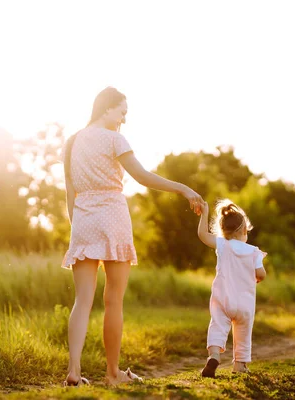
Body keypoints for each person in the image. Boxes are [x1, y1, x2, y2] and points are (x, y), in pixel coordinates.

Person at [62, 87, 204, 386]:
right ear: (107, 108)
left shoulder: (72, 141)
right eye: (122, 112)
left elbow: (69, 191)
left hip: (84, 219)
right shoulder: (115, 139)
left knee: (82, 300)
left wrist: (78, 227)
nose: (124, 120)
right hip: (113, 217)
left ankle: (73, 371)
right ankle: (113, 375)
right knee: (113, 300)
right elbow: (142, 177)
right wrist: (183, 188)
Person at [197, 199, 267, 378]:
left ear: (223, 230)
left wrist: (204, 213)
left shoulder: (222, 245)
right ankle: (240, 365)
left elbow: (203, 235)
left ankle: (214, 355)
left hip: (223, 300)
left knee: (218, 327)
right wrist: (257, 276)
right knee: (243, 332)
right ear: (244, 230)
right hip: (245, 304)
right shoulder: (253, 251)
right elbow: (261, 273)